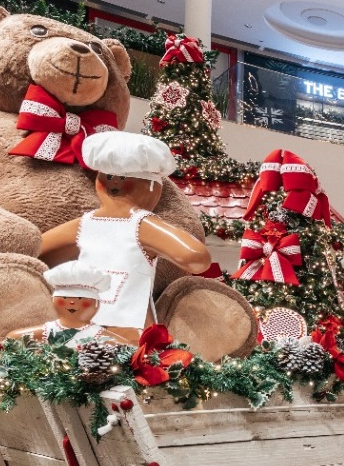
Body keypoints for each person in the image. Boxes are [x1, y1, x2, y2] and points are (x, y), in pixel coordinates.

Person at [38, 132, 213, 344]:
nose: (116, 183)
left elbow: (37, 249)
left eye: (122, 178)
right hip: (102, 328)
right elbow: (196, 258)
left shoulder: (132, 225)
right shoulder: (139, 226)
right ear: (153, 187)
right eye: (110, 177)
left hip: (112, 328)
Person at [7, 261, 127, 347]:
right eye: (64, 297)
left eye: (80, 298)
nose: (72, 302)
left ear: (95, 304)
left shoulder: (97, 334)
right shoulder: (48, 331)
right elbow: (13, 337)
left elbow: (127, 348)